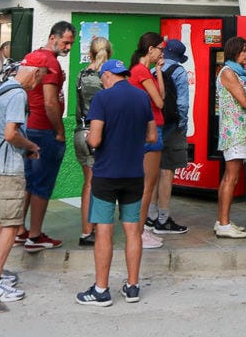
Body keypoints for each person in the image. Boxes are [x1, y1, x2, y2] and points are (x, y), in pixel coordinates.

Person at [75, 59, 156, 307]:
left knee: (104, 231)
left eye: (103, 78)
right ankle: (132, 287)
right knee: (133, 231)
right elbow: (152, 136)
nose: (102, 82)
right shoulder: (142, 97)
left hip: (107, 174)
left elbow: (96, 140)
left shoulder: (102, 99)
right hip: (134, 174)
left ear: (109, 75)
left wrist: (89, 136)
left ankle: (101, 290)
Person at [0, 60, 46, 303]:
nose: (38, 85)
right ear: (35, 73)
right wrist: (31, 146)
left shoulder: (2, 87)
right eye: (40, 79)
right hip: (8, 171)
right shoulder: (17, 94)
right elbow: (11, 133)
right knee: (11, 226)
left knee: (0, 223)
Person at [18, 21, 75, 252]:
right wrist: (60, 132)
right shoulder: (49, 62)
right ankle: (35, 235)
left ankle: (20, 230)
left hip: (30, 127)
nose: (68, 47)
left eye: (71, 43)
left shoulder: (30, 57)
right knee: (42, 184)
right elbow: (51, 102)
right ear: (53, 38)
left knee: (30, 183)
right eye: (65, 42)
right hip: (44, 130)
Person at [146, 38, 190, 238]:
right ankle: (163, 220)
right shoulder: (179, 71)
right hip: (172, 125)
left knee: (152, 171)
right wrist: (182, 124)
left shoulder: (152, 69)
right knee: (166, 172)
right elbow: (182, 103)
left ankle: (150, 215)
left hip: (153, 125)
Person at [127, 33, 166, 250]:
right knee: (147, 186)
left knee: (145, 185)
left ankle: (139, 229)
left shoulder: (143, 70)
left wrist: (158, 70)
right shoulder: (141, 71)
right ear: (150, 49)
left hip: (145, 129)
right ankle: (139, 231)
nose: (162, 53)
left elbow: (160, 94)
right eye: (160, 48)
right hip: (151, 130)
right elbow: (160, 102)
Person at [214, 36, 246, 238]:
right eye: (244, 50)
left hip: (235, 130)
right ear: (234, 51)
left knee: (229, 177)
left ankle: (222, 220)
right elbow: (244, 102)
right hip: (235, 131)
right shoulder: (229, 73)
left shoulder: (235, 73)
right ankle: (224, 224)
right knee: (232, 177)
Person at [74, 36, 109, 247]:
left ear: (90, 53)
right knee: (98, 184)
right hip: (97, 134)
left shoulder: (81, 75)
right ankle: (93, 228)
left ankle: (87, 229)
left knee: (88, 183)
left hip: (80, 132)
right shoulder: (106, 77)